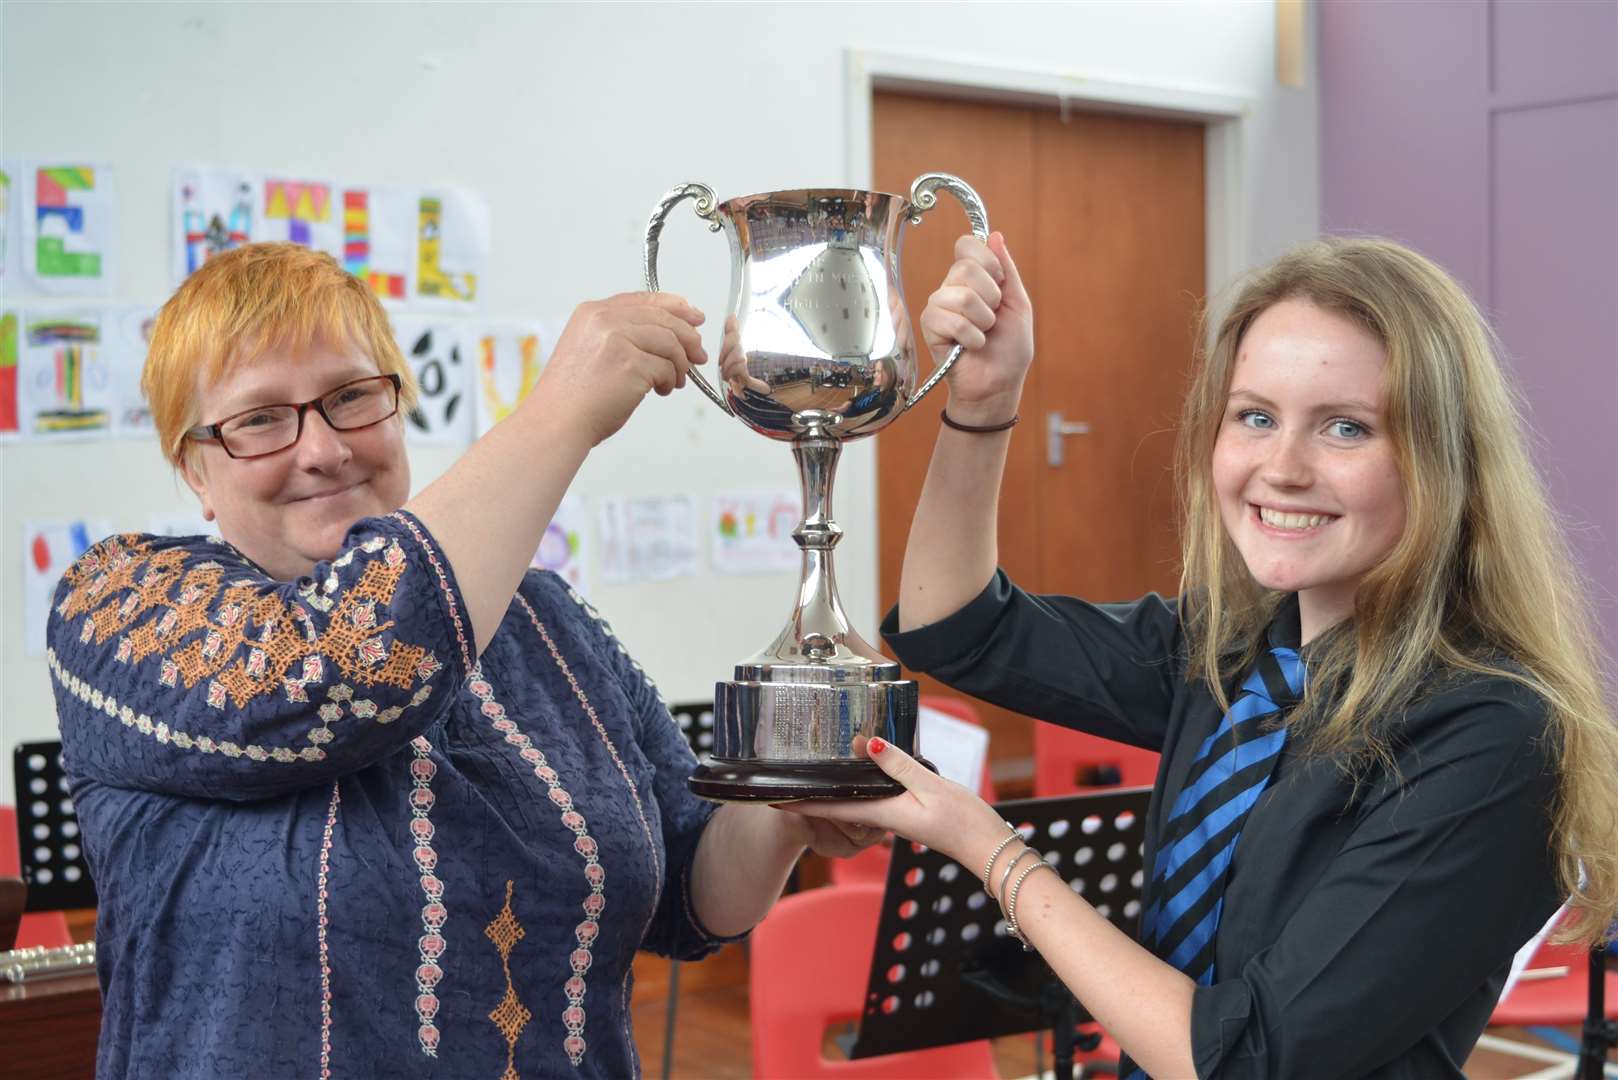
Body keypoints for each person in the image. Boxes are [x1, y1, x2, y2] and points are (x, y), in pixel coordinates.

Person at [786, 233, 1618, 1077]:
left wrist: (992, 850)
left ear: (1445, 460)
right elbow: (957, 628)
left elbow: (1249, 1057)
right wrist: (984, 398)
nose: (1280, 468)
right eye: (1255, 416)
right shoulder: (1229, 648)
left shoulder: (1496, 732)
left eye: (1345, 427)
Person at [46, 242, 881, 1078]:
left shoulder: (546, 616)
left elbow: (690, 892)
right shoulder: (119, 602)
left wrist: (788, 806)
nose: (325, 448)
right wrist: (560, 412)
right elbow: (334, 673)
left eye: (351, 396)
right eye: (260, 418)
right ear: (195, 466)